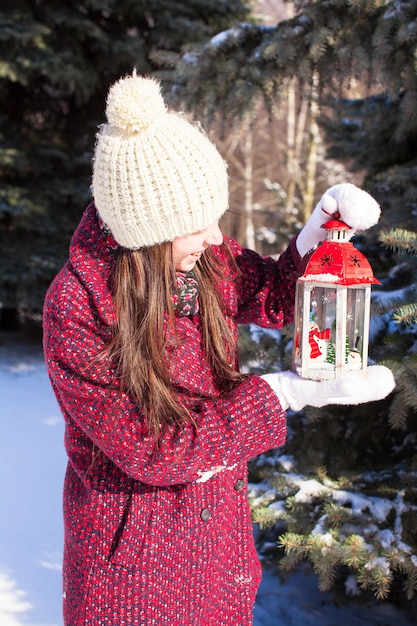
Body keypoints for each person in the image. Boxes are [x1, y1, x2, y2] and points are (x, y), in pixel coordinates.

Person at [42, 71, 395, 626]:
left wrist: (316, 238)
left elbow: (275, 297)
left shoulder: (199, 261)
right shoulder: (79, 307)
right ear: (150, 230)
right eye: (196, 224)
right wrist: (279, 395)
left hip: (217, 558)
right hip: (133, 577)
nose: (214, 237)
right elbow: (157, 451)